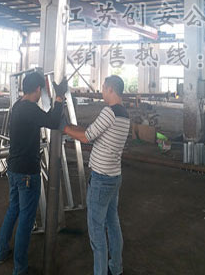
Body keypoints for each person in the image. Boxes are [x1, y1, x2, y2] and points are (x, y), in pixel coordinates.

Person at [0, 72, 68, 274]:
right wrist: (59, 97)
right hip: (27, 172)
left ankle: (2, 252)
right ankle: (20, 269)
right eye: (40, 91)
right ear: (37, 89)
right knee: (26, 221)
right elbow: (53, 122)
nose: (40, 95)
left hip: (13, 169)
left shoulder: (18, 105)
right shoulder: (30, 108)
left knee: (13, 210)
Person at [63, 75, 130, 275]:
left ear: (110, 89)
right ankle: (116, 268)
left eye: (103, 87)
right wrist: (71, 127)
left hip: (101, 179)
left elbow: (86, 137)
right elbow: (91, 131)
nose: (101, 91)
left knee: (96, 231)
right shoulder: (124, 114)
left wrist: (63, 127)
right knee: (113, 224)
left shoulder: (109, 112)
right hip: (114, 177)